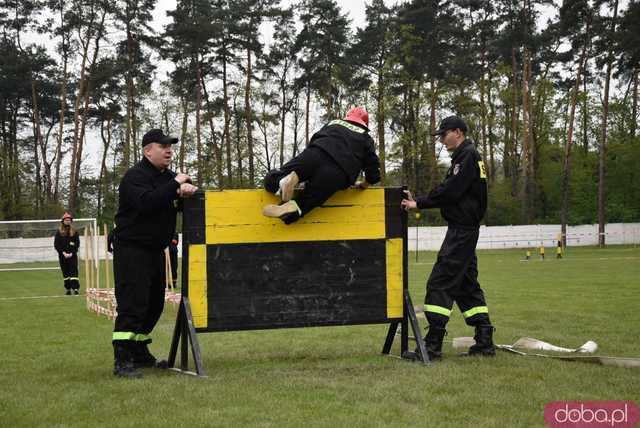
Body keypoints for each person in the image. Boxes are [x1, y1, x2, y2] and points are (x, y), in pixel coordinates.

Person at [401, 115, 495, 361]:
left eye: (444, 135)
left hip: (462, 230)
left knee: (440, 282)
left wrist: (417, 202)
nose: (441, 140)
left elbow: (451, 191)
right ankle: (484, 340)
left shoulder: (467, 157)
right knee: (466, 285)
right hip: (464, 228)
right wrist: (419, 199)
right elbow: (451, 190)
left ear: (458, 132)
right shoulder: (466, 157)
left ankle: (432, 345)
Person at [111, 128, 198, 378]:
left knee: (154, 304)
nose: (169, 150)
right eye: (163, 146)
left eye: (170, 146)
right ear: (148, 150)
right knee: (133, 303)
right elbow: (147, 203)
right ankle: (122, 358)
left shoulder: (168, 177)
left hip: (155, 251)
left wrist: (187, 193)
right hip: (131, 249)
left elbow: (175, 197)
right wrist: (176, 185)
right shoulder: (134, 177)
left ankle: (138, 351)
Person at [262, 107, 381, 224]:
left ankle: (282, 181)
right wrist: (363, 185)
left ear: (348, 116)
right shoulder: (365, 136)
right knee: (307, 201)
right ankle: (291, 207)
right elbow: (373, 168)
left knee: (273, 178)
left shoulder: (333, 123)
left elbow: (315, 138)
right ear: (364, 123)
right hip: (339, 170)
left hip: (315, 152)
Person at [53, 212, 80, 295]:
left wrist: (72, 253)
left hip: (72, 256)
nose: (68, 221)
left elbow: (77, 243)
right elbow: (56, 244)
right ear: (63, 221)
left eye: (69, 220)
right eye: (66, 220)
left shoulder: (74, 231)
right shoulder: (59, 232)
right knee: (65, 273)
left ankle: (75, 288)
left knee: (73, 272)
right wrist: (63, 252)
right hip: (62, 256)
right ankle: (68, 289)